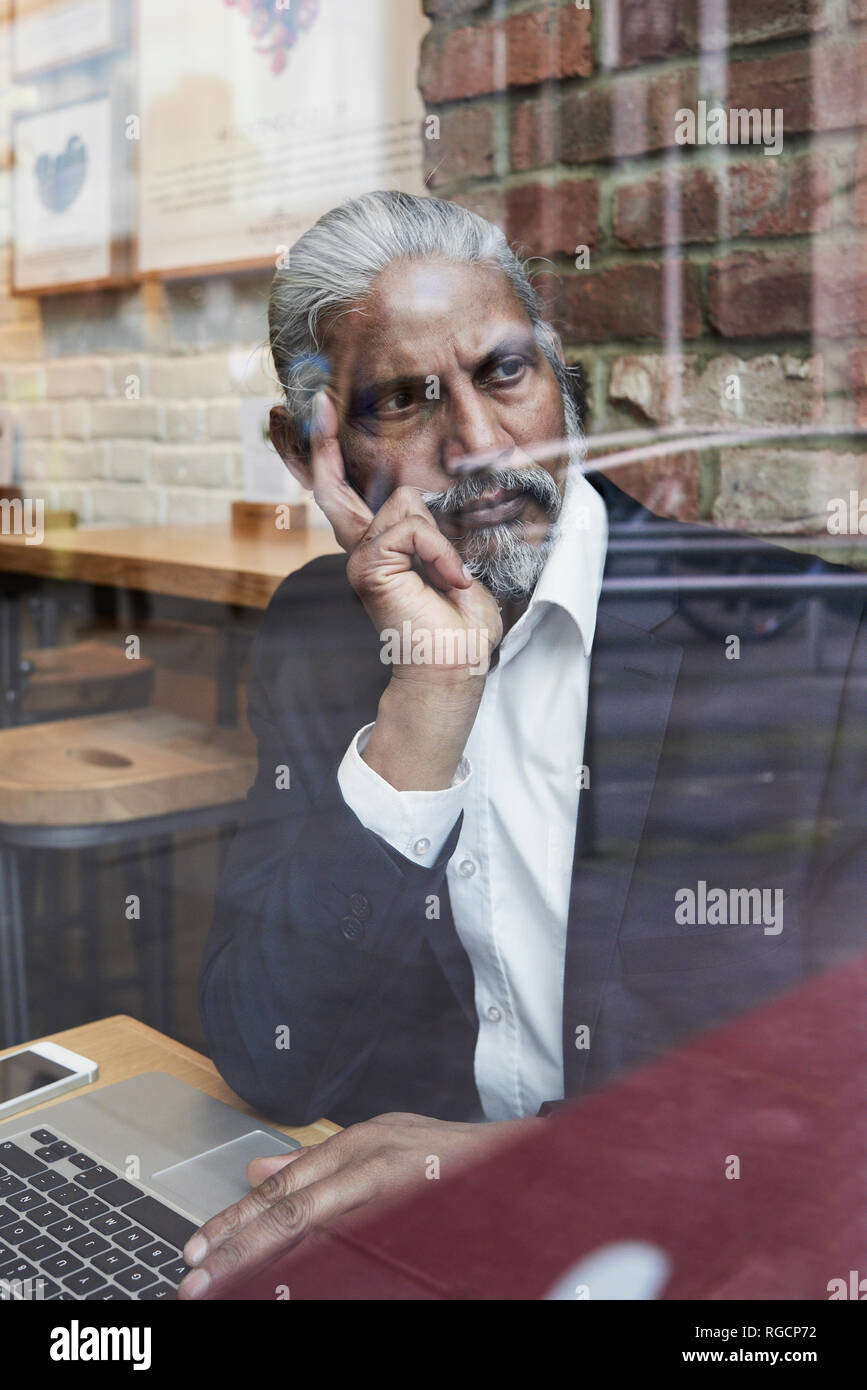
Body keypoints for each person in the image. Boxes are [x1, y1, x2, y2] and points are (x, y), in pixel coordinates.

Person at [178, 191, 865, 1299]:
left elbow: (834, 1115)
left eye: (504, 372)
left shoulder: (804, 644)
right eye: (402, 400)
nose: (482, 445)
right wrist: (425, 704)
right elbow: (270, 1055)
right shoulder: (316, 629)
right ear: (308, 452)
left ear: (559, 377)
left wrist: (525, 1160)